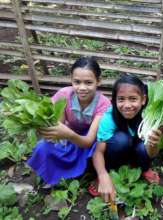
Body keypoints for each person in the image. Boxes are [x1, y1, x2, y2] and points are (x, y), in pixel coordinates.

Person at [27, 57, 111, 185]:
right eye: (77, 82)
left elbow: (88, 141)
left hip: (89, 140)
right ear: (71, 80)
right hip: (67, 135)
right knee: (43, 147)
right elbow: (58, 124)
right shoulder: (64, 95)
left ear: (98, 81)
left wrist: (68, 134)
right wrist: (48, 130)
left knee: (99, 148)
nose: (82, 88)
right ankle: (55, 175)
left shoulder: (103, 104)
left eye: (88, 82)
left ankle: (85, 171)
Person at [88, 74, 163, 201]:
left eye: (133, 99)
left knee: (143, 148)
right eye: (121, 99)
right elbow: (98, 152)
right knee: (121, 140)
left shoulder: (152, 116)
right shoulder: (109, 117)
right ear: (114, 100)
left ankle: (144, 168)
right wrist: (102, 175)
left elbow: (152, 153)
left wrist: (154, 144)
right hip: (118, 150)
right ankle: (110, 171)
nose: (127, 105)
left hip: (138, 150)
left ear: (143, 99)